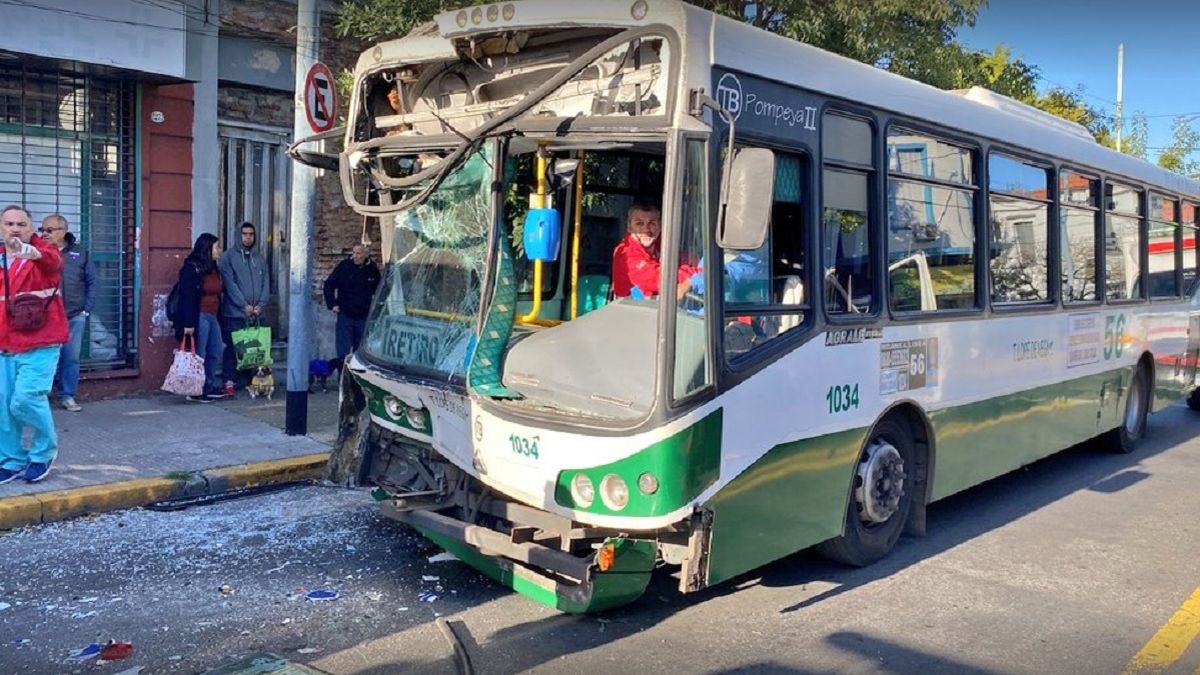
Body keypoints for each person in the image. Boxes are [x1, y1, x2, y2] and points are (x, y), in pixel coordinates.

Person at [0, 204, 67, 484]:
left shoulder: (44, 252)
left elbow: (52, 261)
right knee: (4, 405)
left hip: (42, 341)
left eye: (21, 224)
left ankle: (43, 453)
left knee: (25, 399)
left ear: (31, 228)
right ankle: (12, 459)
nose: (15, 229)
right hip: (6, 343)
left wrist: (31, 251)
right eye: (9, 224)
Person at [43, 214, 95, 413]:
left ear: (63, 231)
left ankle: (67, 395)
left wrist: (86, 310)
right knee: (46, 356)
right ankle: (42, 395)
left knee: (71, 357)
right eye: (42, 230)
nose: (44, 234)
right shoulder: (39, 252)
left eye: (50, 230)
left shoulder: (80, 254)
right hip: (46, 316)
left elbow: (92, 282)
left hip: (74, 315)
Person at [218, 222, 269, 396]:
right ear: (238, 236)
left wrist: (261, 304)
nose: (248, 237)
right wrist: (243, 305)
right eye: (245, 234)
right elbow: (229, 284)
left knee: (254, 349)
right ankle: (229, 381)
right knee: (233, 348)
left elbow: (266, 283)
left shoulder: (259, 259)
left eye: (251, 234)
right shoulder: (228, 257)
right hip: (235, 313)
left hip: (256, 313)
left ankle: (253, 381)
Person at [175, 233, 226, 402]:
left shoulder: (213, 268)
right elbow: (187, 297)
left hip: (213, 314)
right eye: (216, 247)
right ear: (207, 249)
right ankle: (196, 389)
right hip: (199, 315)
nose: (219, 250)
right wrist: (188, 324)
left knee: (216, 350)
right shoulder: (192, 268)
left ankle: (208, 385)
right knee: (200, 353)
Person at [611, 199, 696, 300]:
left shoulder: (658, 243)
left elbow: (686, 257)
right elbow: (665, 280)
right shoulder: (625, 253)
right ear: (629, 227)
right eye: (639, 223)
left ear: (660, 226)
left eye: (652, 223)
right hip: (632, 311)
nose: (646, 229)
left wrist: (692, 261)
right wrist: (698, 275)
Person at [323, 243, 381, 367]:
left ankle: (356, 383)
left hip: (364, 317)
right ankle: (342, 380)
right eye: (353, 253)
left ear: (366, 255)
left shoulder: (372, 269)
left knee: (360, 353)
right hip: (345, 315)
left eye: (358, 253)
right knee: (343, 353)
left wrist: (376, 310)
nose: (355, 256)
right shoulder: (344, 267)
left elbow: (379, 290)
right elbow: (329, 284)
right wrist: (332, 304)